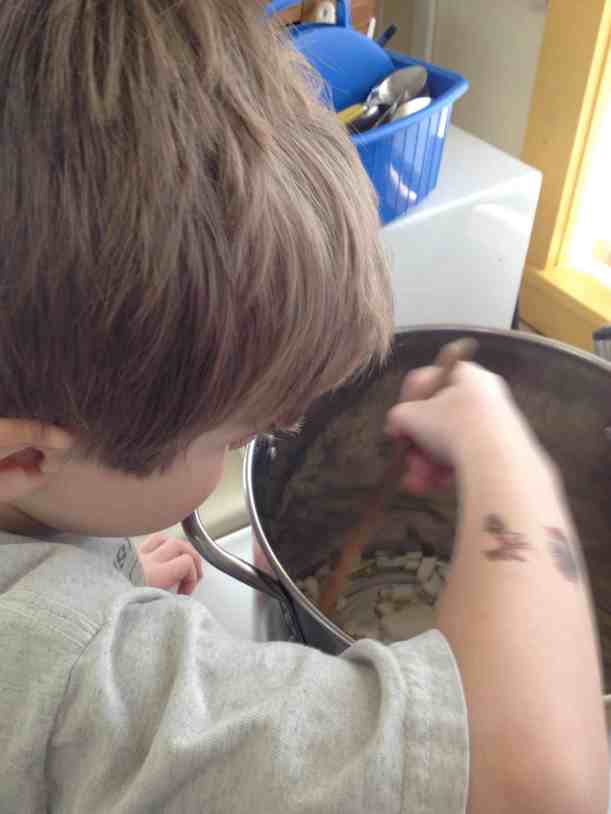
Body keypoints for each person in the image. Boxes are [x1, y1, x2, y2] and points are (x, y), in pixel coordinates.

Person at [0, 2, 606, 813]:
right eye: (234, 439)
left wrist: (87, 570)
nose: (260, 442)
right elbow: (536, 785)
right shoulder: (63, 675)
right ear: (24, 458)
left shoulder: (39, 515)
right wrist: (513, 463)